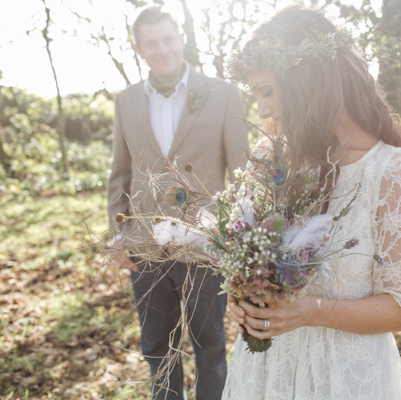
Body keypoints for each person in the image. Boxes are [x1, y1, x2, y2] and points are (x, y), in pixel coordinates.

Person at [223, 5, 401, 400]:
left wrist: (311, 311)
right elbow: (243, 250)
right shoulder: (270, 157)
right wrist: (243, 297)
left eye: (267, 91)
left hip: (346, 378)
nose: (262, 110)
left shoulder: (387, 169)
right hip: (269, 373)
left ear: (305, 79)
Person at [107, 5, 248, 399]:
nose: (162, 49)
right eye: (151, 43)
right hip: (145, 248)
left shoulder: (223, 95)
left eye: (168, 39)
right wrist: (120, 234)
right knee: (157, 349)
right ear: (139, 49)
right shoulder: (125, 101)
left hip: (206, 245)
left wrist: (238, 236)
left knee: (210, 348)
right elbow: (119, 175)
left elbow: (242, 173)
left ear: (181, 38)